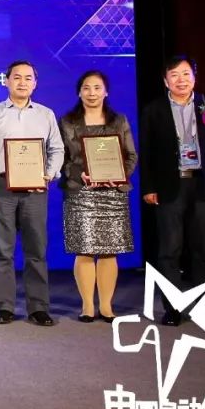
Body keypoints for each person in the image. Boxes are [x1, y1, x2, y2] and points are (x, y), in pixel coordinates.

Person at [140, 55, 205, 328]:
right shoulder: (154, 109)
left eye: (185, 74)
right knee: (169, 250)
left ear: (194, 77)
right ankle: (172, 309)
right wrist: (149, 187)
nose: (180, 80)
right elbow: (147, 152)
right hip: (170, 185)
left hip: (204, 184)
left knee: (203, 250)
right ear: (165, 81)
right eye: (174, 75)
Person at [0, 60, 64, 326]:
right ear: (6, 81)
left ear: (35, 83)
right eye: (17, 77)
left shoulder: (46, 114)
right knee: (2, 250)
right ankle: (4, 306)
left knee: (36, 249)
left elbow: (57, 149)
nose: (22, 82)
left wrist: (49, 174)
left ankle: (38, 307)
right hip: (2, 186)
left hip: (35, 188)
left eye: (28, 78)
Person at [59, 71, 138, 323]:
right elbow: (61, 158)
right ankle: (87, 306)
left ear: (106, 91)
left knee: (108, 251)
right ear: (79, 92)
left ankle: (106, 306)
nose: (92, 93)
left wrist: (120, 175)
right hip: (81, 192)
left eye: (97, 87)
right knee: (84, 250)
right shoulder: (68, 121)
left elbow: (131, 156)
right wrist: (79, 174)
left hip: (112, 192)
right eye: (86, 88)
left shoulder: (119, 121)